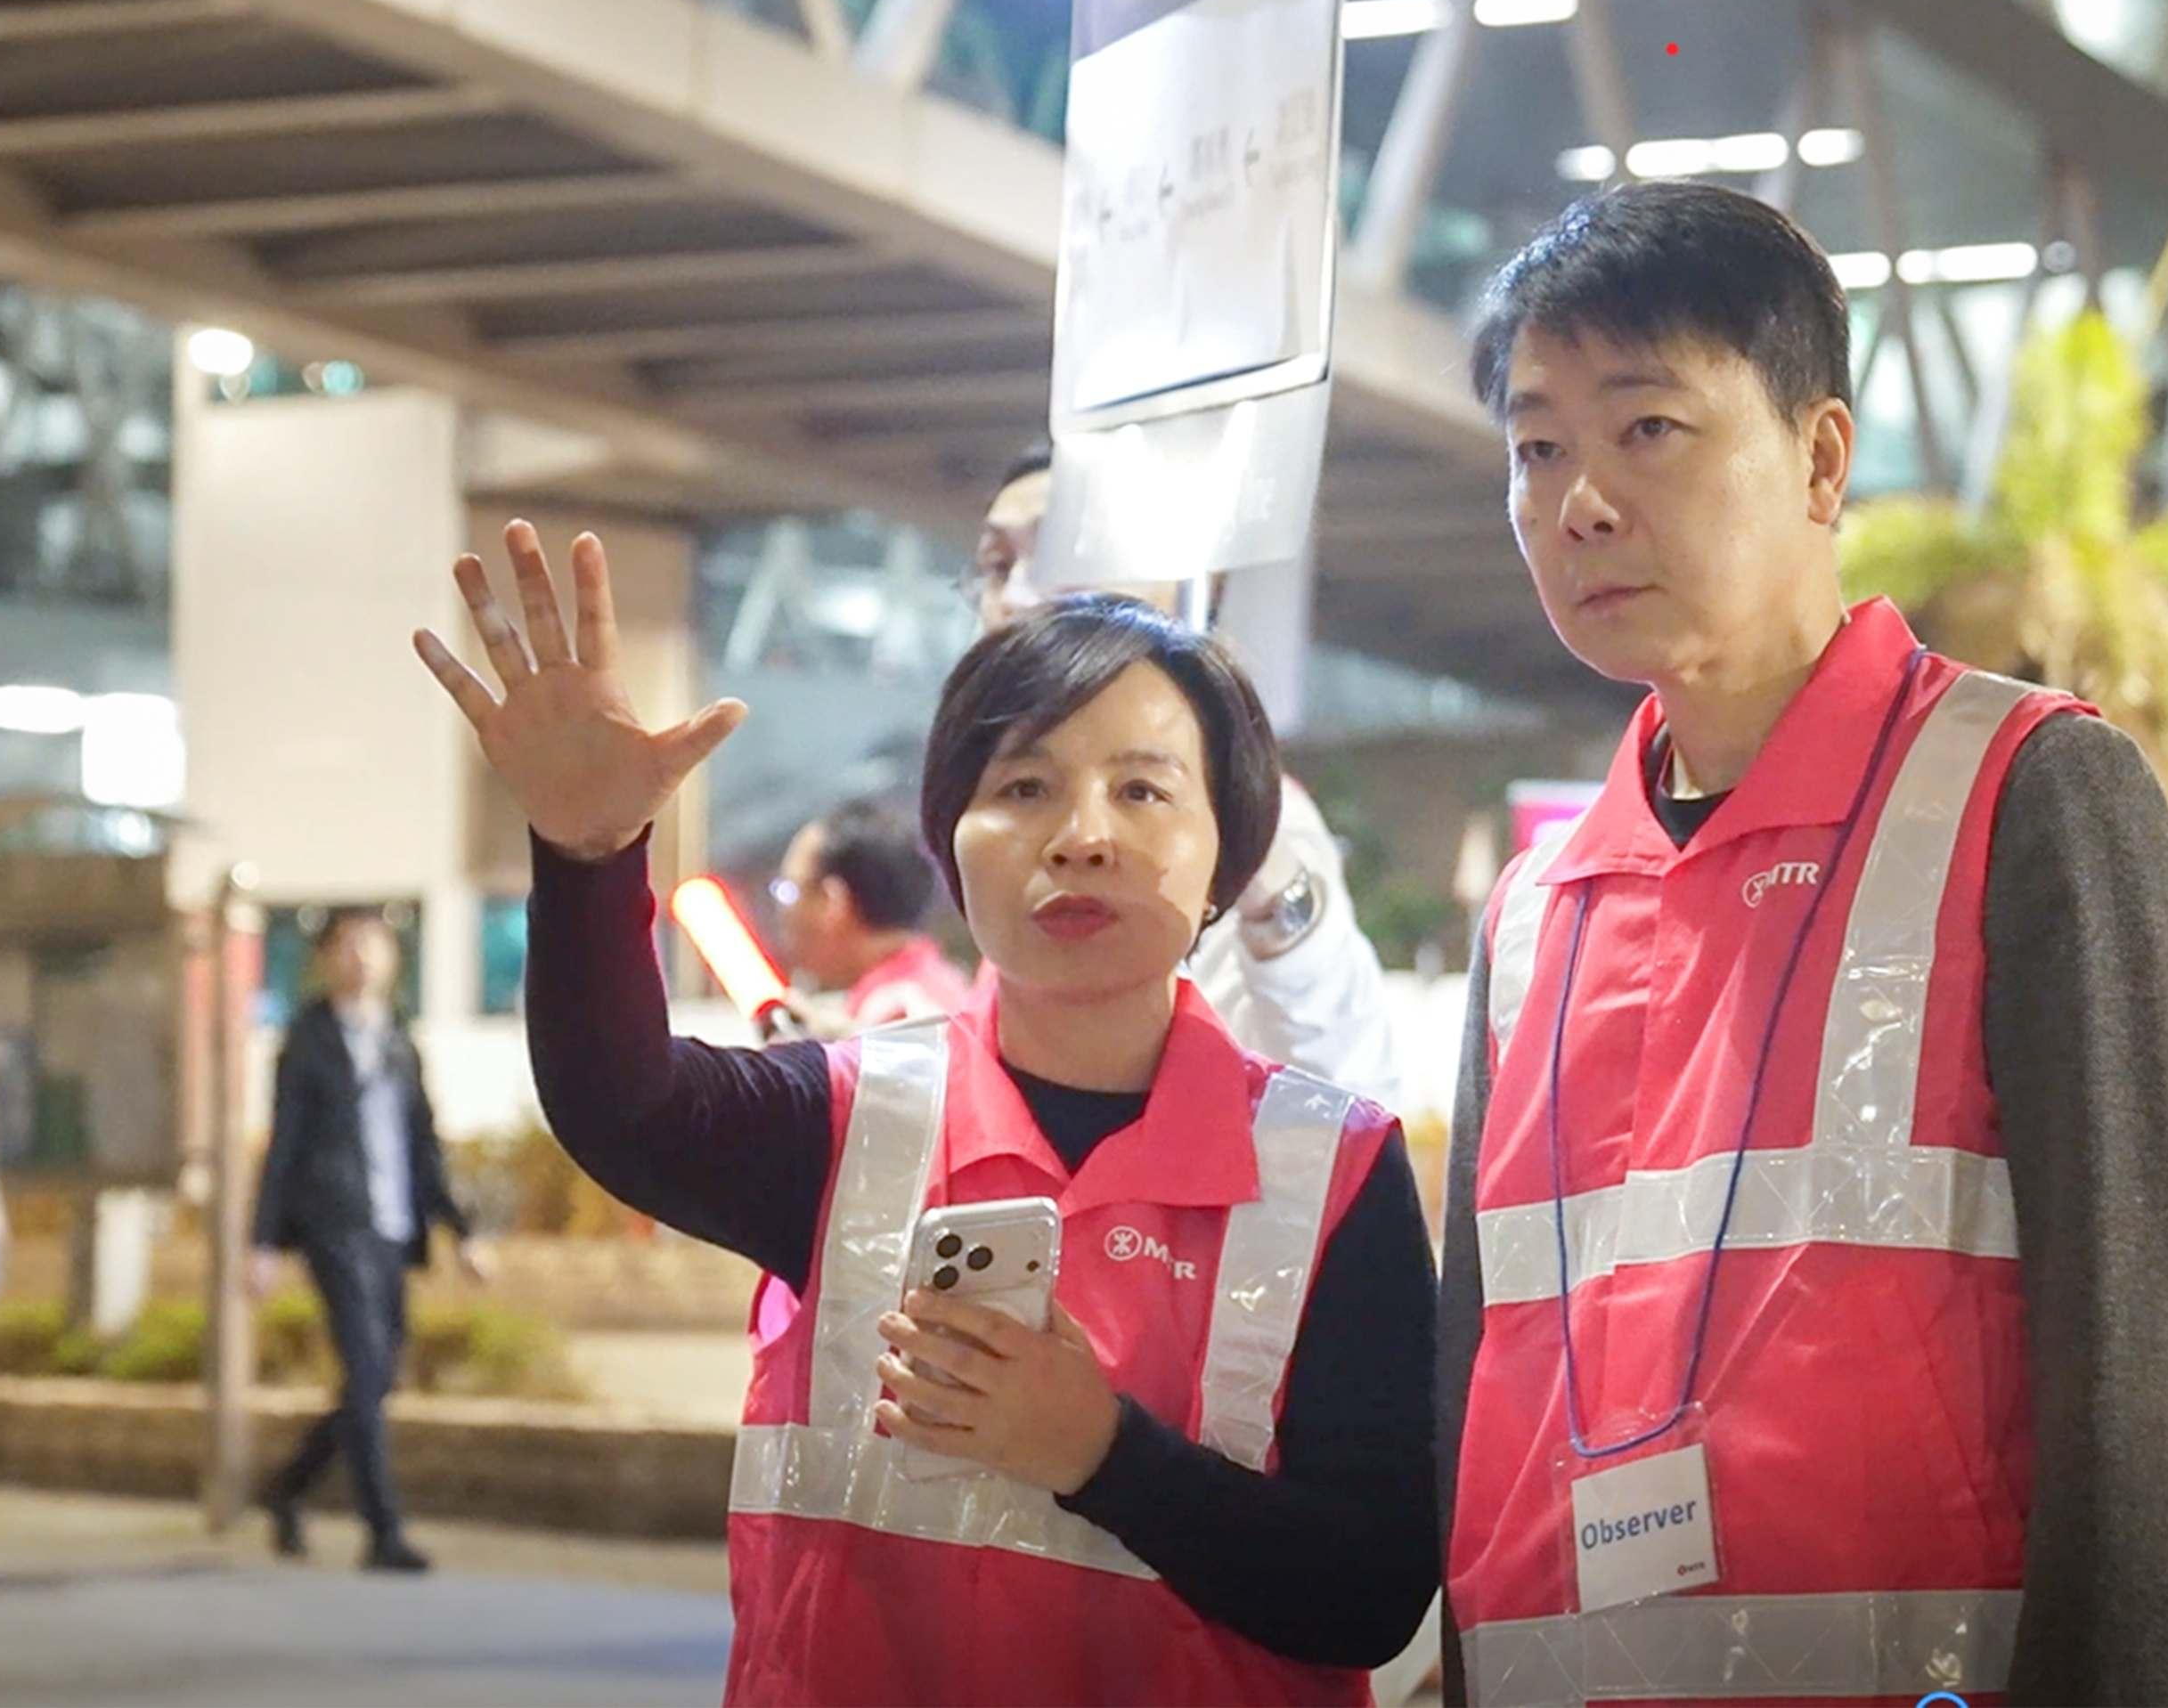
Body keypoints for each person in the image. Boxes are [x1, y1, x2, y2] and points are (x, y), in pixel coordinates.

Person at [1437, 183, 2168, 1707]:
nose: (1580, 500)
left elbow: (2148, 1384)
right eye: (1537, 447)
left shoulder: (2027, 794)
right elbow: (1475, 1384)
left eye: (1647, 427)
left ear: (1819, 458)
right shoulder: (1539, 911)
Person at [414, 522, 1439, 1704]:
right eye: (1024, 786)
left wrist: (1099, 1450)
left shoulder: (1335, 1171)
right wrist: (589, 855)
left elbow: (1370, 1588)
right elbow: (622, 1103)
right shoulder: (846, 1117)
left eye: (1144, 788)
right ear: (955, 848)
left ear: (1227, 857)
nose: (1083, 832)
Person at [974, 451, 1399, 1109]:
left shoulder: (1244, 826)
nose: (1021, 596)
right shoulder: (986, 816)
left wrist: (1272, 894)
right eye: (997, 567)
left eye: (1061, 558)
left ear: (1185, 586)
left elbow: (1346, 1102)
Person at [249, 907, 487, 1574]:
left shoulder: (399, 1042)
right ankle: (383, 1531)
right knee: (366, 1369)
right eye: (347, 946)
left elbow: (425, 1144)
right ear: (325, 959)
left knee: (376, 1380)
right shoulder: (307, 1040)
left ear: (392, 959)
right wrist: (262, 1241)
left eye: (373, 946)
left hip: (392, 1228)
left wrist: (461, 1232)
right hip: (333, 1223)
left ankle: (287, 1487)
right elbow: (284, 1144)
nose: (361, 958)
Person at [771, 798, 974, 1032]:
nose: (782, 912)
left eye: (789, 891)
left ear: (832, 901)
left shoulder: (895, 1013)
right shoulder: (942, 983)